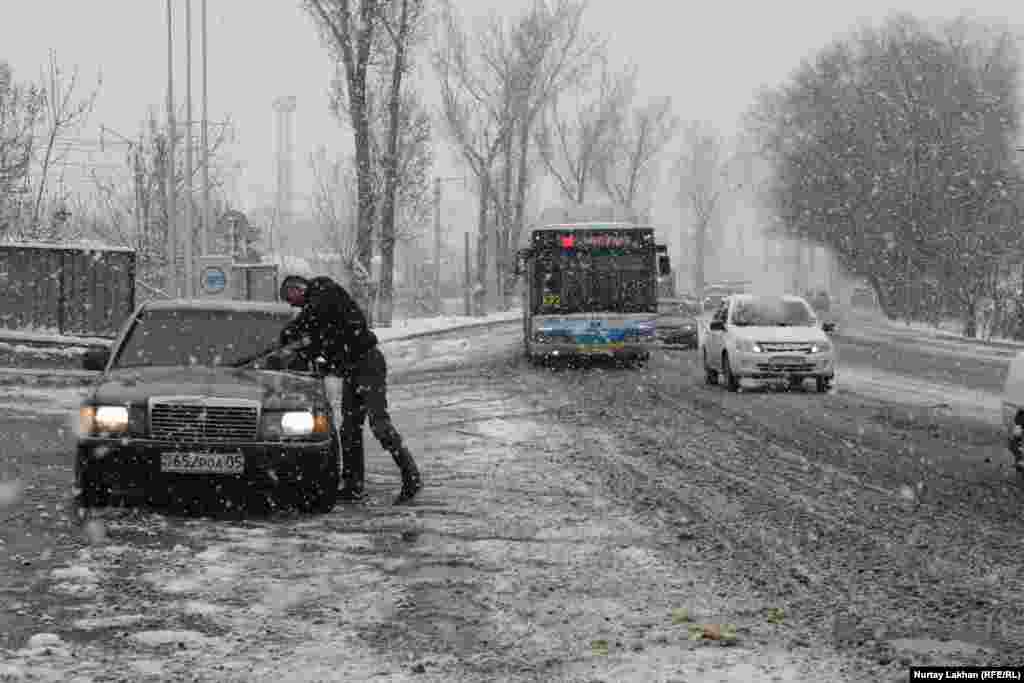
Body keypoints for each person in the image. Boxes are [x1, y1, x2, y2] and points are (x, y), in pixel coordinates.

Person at [279, 274, 422, 504]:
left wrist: (291, 331)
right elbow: (318, 345)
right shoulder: (318, 315)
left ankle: (411, 475)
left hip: (367, 364)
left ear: (297, 287)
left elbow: (314, 316)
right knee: (349, 429)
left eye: (289, 297)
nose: (291, 304)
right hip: (352, 371)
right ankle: (353, 485)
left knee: (379, 424)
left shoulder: (324, 290)